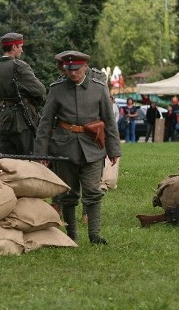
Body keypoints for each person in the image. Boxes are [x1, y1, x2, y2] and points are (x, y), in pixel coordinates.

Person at [34, 51, 121, 245]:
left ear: (85, 68)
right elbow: (45, 124)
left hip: (92, 148)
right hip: (64, 148)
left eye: (76, 69)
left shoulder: (99, 88)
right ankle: (71, 233)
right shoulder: (57, 89)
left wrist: (113, 149)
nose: (72, 73)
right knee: (68, 194)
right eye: (68, 69)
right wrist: (41, 153)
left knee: (93, 191)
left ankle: (94, 235)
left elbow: (109, 121)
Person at [0, 32, 46, 155]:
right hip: (22, 120)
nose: (22, 50)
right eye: (20, 46)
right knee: (28, 160)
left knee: (7, 162)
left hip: (2, 119)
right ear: (14, 47)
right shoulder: (19, 67)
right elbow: (40, 91)